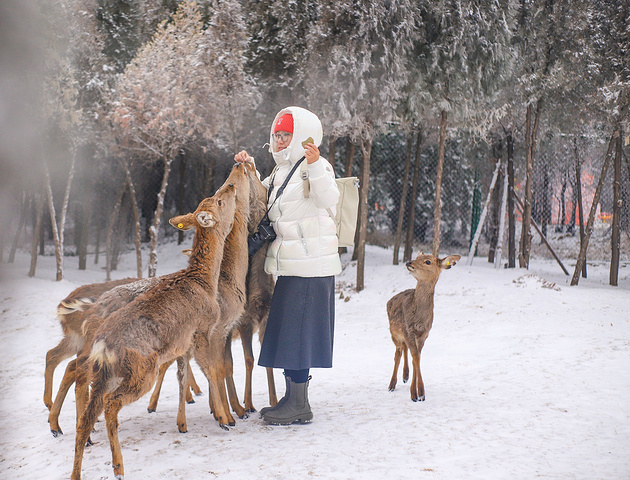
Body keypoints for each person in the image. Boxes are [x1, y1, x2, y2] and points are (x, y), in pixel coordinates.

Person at [234, 106, 341, 425]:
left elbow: (328, 198)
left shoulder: (316, 165)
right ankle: (294, 399)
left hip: (312, 265)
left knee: (298, 336)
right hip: (292, 265)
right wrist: (248, 167)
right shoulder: (281, 172)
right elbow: (262, 196)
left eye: (286, 136)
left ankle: (299, 404)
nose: (280, 141)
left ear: (300, 137)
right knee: (289, 335)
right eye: (277, 136)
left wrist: (315, 165)